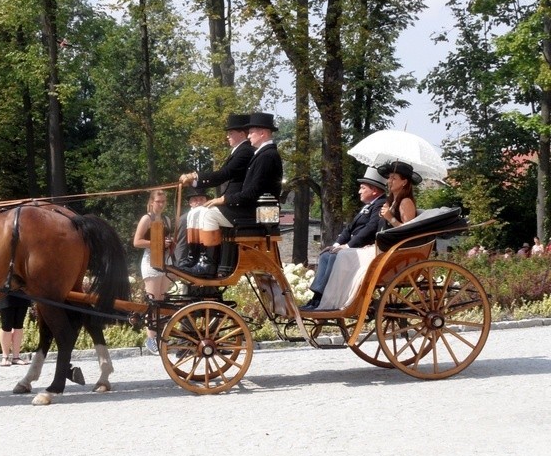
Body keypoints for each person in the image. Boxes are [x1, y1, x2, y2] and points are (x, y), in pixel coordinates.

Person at [180, 112, 283, 277]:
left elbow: (251, 192)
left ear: (263, 133)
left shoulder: (267, 156)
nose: (248, 136)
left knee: (207, 214)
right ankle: (196, 258)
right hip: (253, 210)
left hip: (257, 214)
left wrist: (224, 199)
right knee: (200, 212)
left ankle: (208, 264)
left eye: (251, 132)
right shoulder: (263, 155)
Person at [315, 161, 420, 311]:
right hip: (380, 246)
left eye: (394, 178)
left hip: (392, 251)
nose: (389, 181)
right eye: (389, 178)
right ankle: (328, 300)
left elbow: (409, 230)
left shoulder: (406, 202)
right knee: (340, 255)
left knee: (344, 255)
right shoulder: (391, 201)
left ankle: (339, 303)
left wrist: (391, 218)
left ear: (404, 182)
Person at [300, 167, 388, 310]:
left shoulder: (380, 204)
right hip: (354, 247)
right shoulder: (369, 205)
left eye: (362, 188)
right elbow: (349, 228)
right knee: (326, 255)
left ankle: (323, 299)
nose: (359, 191)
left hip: (365, 247)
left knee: (335, 256)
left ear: (374, 190)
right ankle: (317, 297)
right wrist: (337, 244)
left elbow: (370, 229)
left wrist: (348, 246)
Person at [177, 113, 254, 267]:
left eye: (230, 133)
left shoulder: (245, 151)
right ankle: (193, 256)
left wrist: (195, 176)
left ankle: (208, 262)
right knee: (194, 212)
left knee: (204, 213)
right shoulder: (239, 151)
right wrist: (194, 182)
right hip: (232, 204)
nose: (228, 137)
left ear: (241, 134)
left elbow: (224, 175)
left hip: (237, 208)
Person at [133, 189, 174, 354]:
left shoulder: (166, 219)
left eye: (163, 201)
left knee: (162, 300)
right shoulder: (146, 219)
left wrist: (169, 242)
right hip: (151, 260)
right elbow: (136, 242)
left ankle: (161, 336)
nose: (161, 204)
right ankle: (151, 338)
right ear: (151, 202)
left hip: (165, 261)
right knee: (153, 301)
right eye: (158, 201)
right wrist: (156, 242)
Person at [174, 187, 210, 266]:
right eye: (195, 200)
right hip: (190, 261)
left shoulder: (211, 217)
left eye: (201, 199)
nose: (199, 202)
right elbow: (181, 242)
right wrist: (181, 262)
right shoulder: (184, 219)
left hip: (207, 260)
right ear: (190, 203)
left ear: (206, 201)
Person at [0, 293, 31, 366]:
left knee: (19, 325)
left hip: (22, 293)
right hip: (5, 293)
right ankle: (5, 357)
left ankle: (16, 357)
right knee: (6, 325)